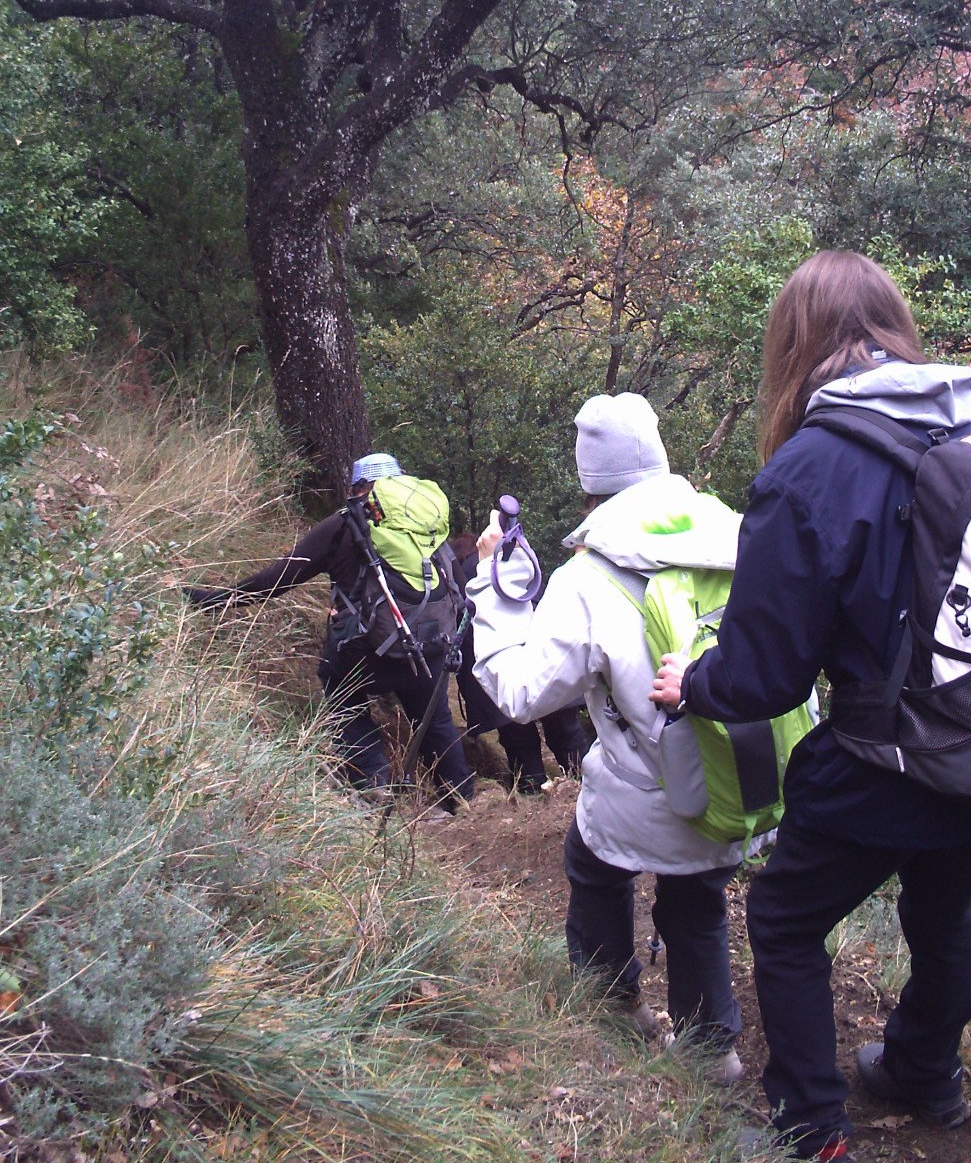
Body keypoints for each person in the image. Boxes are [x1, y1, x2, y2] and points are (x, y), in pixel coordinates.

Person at [650, 250, 971, 1163]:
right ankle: (923, 1074)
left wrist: (692, 683)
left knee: (782, 919)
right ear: (893, 331)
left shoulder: (812, 467)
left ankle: (810, 1140)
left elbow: (764, 679)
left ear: (794, 343)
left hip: (887, 760)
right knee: (944, 903)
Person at [469, 392, 744, 1079]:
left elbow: (520, 694)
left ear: (587, 480)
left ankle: (611, 1008)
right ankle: (713, 1050)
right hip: (746, 773)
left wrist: (490, 587)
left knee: (593, 862)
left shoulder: (589, 575)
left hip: (652, 783)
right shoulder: (742, 534)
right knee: (696, 898)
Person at [184, 452, 474, 809]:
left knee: (344, 700)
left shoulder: (345, 523)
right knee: (435, 720)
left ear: (357, 489)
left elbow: (278, 578)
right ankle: (462, 802)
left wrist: (212, 600)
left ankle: (373, 787)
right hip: (428, 644)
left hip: (366, 650)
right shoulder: (426, 529)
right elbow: (459, 591)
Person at [449, 532, 589, 793]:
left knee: (520, 743)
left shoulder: (467, 578)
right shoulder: (519, 563)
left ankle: (532, 795)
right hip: (548, 659)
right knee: (567, 735)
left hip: (501, 666)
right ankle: (585, 784)